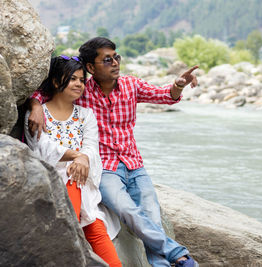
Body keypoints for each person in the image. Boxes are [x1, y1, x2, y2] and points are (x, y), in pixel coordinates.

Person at [28, 37, 199, 267]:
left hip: (134, 164)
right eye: (107, 60)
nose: (115, 63)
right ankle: (179, 254)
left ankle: (165, 264)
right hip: (106, 169)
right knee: (128, 210)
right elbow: (47, 92)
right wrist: (35, 105)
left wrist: (178, 85)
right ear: (91, 67)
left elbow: (165, 96)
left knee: (151, 213)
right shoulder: (82, 90)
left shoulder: (131, 85)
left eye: (116, 57)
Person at [24, 55, 122, 267]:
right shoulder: (39, 114)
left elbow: (91, 147)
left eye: (82, 80)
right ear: (57, 81)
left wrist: (83, 157)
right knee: (85, 211)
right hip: (50, 180)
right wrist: (76, 156)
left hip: (81, 181)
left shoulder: (86, 115)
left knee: (94, 225)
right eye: (73, 79)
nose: (79, 84)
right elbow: (43, 147)